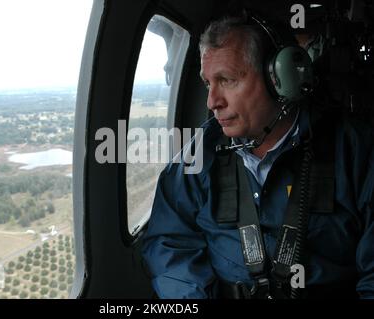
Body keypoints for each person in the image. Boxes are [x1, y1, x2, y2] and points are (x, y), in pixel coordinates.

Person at [141, 13, 374, 299]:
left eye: (226, 80)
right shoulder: (199, 153)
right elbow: (170, 241)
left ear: (279, 79)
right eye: (207, 83)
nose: (212, 101)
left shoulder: (357, 151)